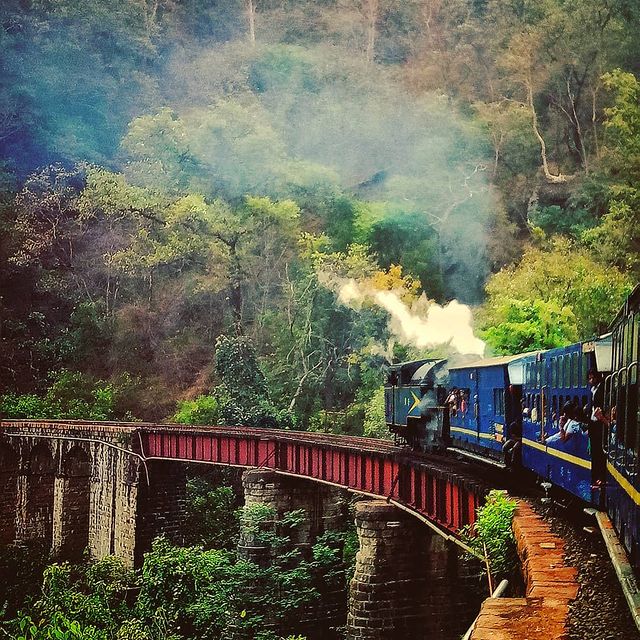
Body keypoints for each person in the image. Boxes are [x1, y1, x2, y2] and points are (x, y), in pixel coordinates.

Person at [586, 369, 606, 486]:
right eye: (589, 378)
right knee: (594, 452)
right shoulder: (593, 389)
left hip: (599, 423)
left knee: (599, 453)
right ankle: (595, 477)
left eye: (593, 378)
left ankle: (600, 477)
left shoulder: (601, 388)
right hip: (593, 423)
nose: (591, 380)